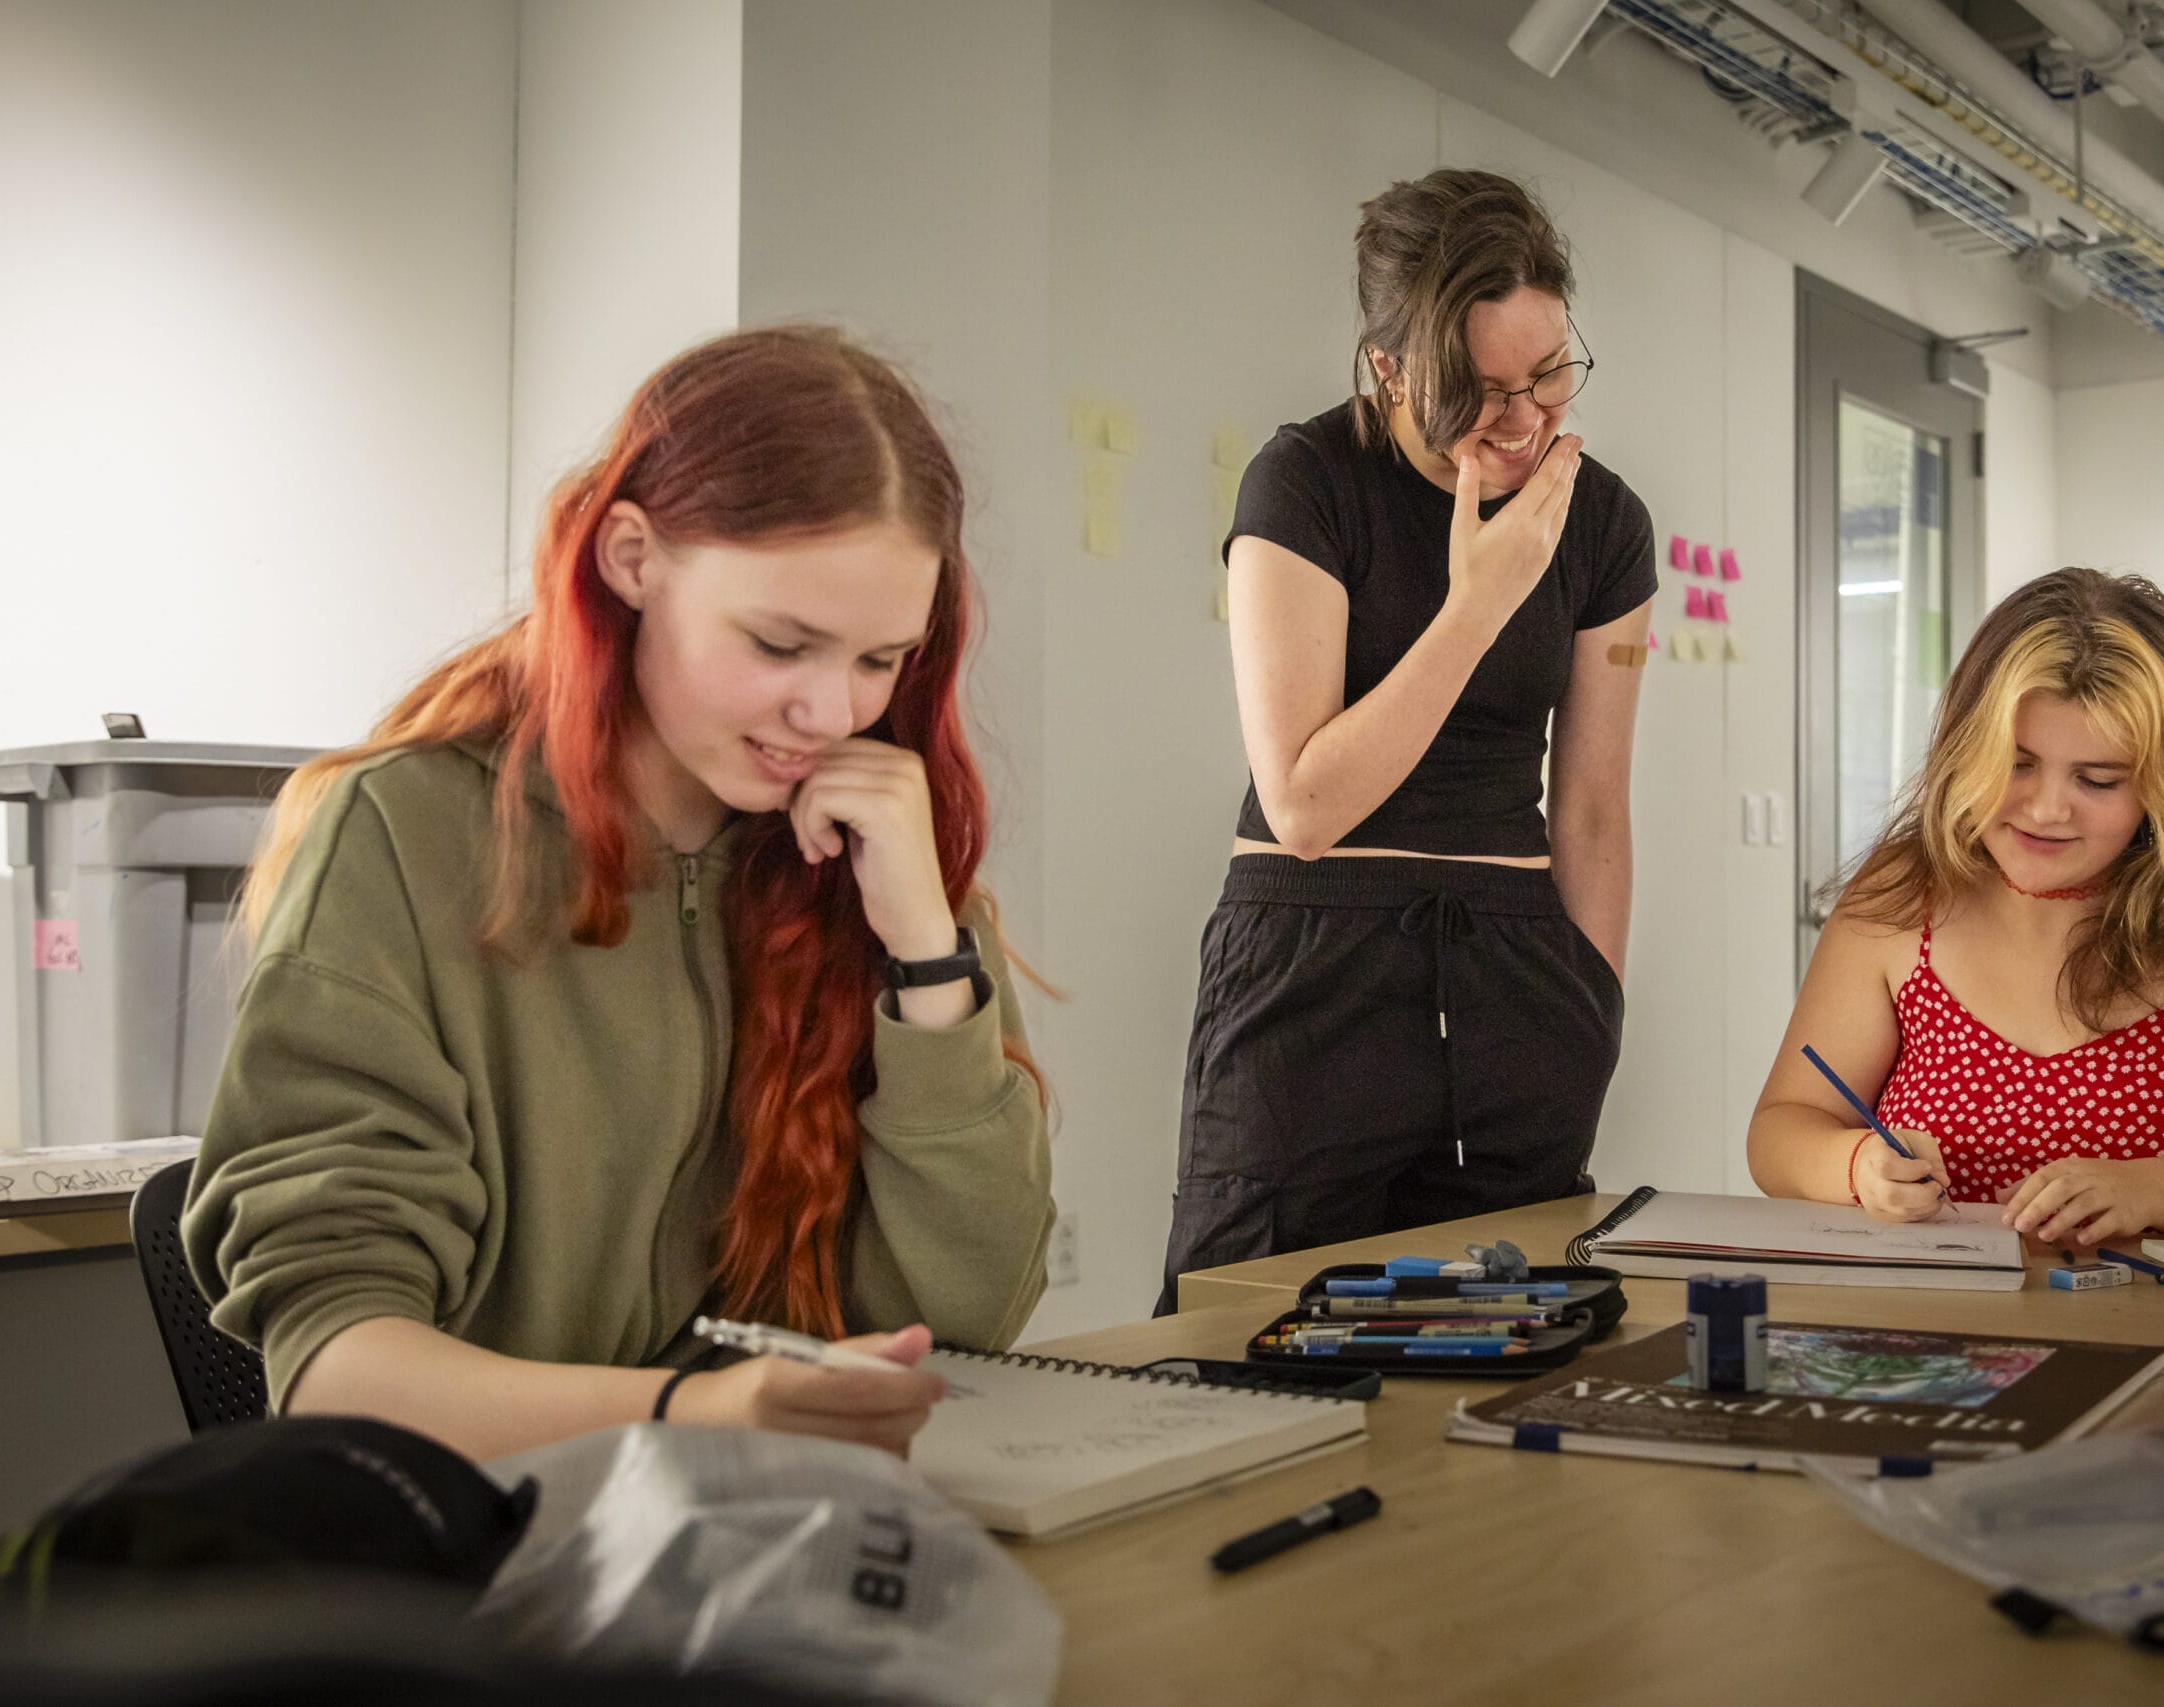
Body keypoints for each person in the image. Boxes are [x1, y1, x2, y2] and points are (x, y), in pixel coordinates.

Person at [185, 327, 1055, 1460]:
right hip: (482, 1563)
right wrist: (692, 1417)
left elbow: (970, 1321)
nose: (831, 713)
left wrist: (926, 955)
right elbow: (341, 1375)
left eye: (878, 661)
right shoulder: (403, 836)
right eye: (781, 643)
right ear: (632, 559)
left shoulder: (870, 858)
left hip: (766, 1540)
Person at [1158, 169, 1657, 1310]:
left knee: (1506, 1344)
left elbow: (1589, 805)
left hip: (1518, 976)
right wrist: (1480, 598)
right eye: (1480, 390)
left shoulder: (1606, 522)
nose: (1525, 420)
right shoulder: (1305, 482)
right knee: (1246, 1337)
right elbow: (1304, 803)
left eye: (1548, 377)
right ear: (1388, 366)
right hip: (1313, 963)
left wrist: (1591, 1007)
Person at [1748, 568, 2164, 1247]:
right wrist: (1854, 1165)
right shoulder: (1904, 891)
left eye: (2098, 778)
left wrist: (2153, 1188)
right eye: (2016, 763)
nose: (2048, 808)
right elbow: (1781, 1129)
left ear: (2162, 786)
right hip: (1930, 1330)